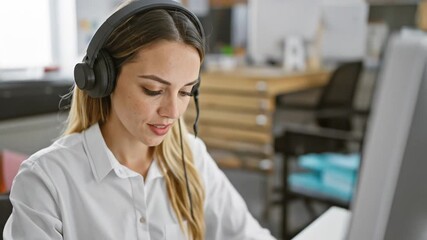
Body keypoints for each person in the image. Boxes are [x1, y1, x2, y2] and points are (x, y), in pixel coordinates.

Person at [3, 0, 276, 239]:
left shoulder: (191, 157)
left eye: (185, 92)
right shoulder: (46, 180)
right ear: (103, 79)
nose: (173, 111)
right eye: (153, 91)